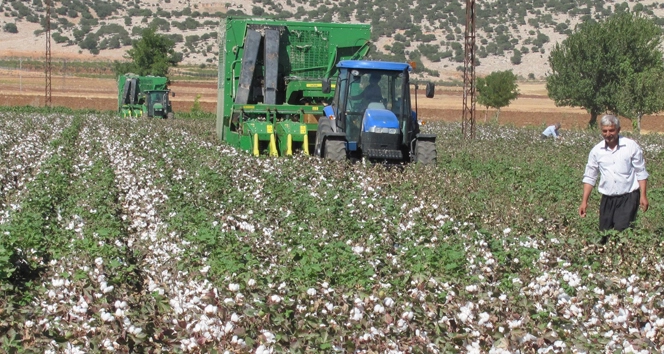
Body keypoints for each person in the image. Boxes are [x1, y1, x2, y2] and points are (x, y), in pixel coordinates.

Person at [578, 114, 649, 241]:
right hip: (608, 199)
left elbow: (641, 171)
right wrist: (584, 201)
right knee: (604, 235)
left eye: (611, 130)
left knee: (621, 231)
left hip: (629, 196)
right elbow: (590, 176)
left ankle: (623, 257)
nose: (608, 134)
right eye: (605, 131)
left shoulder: (630, 146)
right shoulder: (597, 151)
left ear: (618, 130)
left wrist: (643, 195)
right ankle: (606, 259)